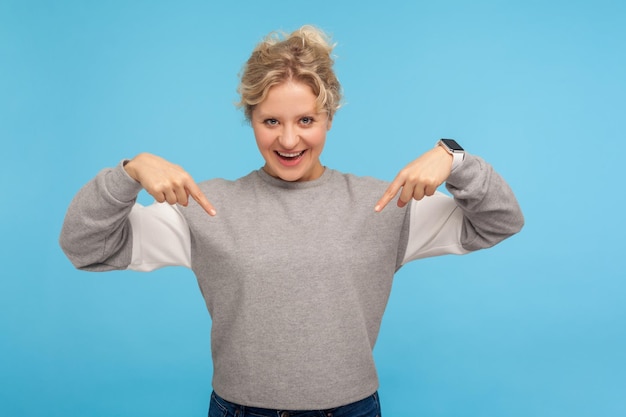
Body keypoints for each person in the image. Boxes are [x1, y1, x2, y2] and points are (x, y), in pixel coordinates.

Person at [60, 25, 524, 417]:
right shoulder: (203, 206)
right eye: (270, 121)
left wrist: (457, 159)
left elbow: (499, 221)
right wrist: (128, 172)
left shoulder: (384, 204)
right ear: (251, 119)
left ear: (329, 118)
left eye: (305, 119)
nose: (288, 139)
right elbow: (86, 247)